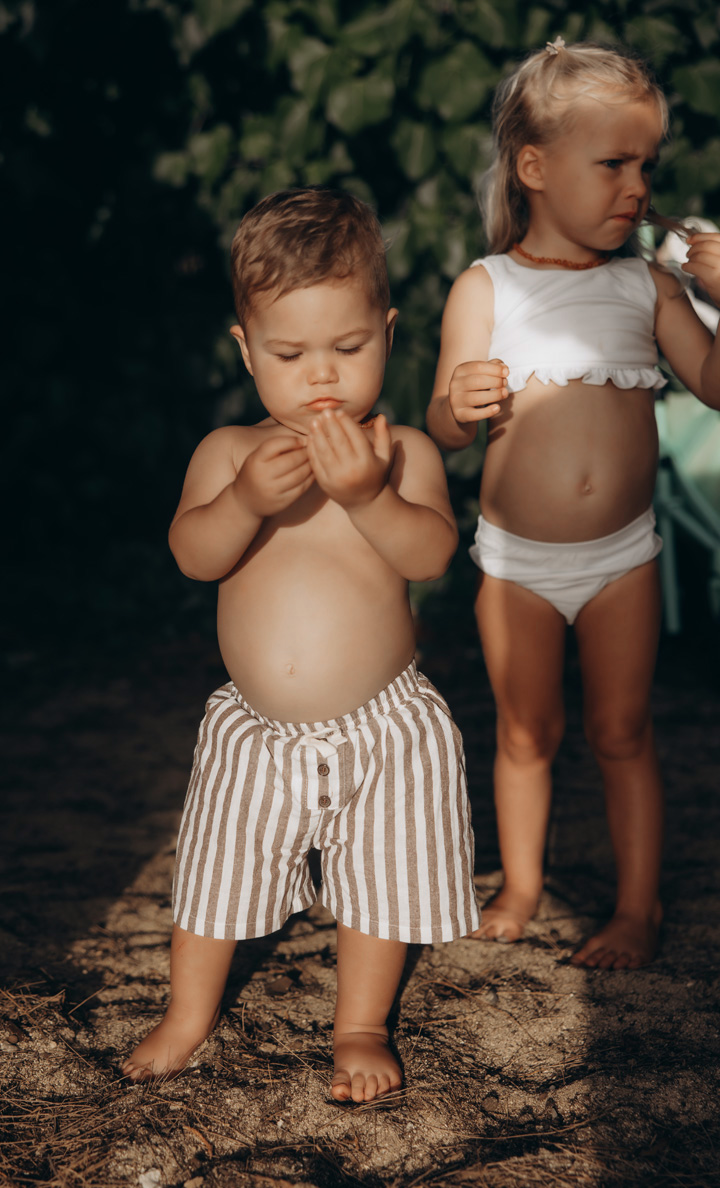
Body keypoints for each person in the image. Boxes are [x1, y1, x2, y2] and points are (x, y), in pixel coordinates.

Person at [123, 186, 480, 1099]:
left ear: (389, 336)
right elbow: (192, 556)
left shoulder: (401, 457)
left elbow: (432, 552)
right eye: (290, 353)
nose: (321, 375)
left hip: (384, 728)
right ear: (246, 350)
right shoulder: (227, 451)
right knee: (214, 875)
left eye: (348, 348)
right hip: (256, 733)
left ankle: (359, 1024)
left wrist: (367, 498)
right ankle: (187, 1014)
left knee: (380, 883)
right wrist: (243, 500)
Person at [426, 40, 720, 970]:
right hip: (515, 563)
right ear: (535, 167)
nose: (636, 187)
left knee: (623, 732)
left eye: (646, 165)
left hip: (622, 559)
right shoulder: (487, 287)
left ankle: (638, 909)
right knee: (525, 733)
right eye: (613, 163)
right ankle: (520, 885)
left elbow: (713, 383)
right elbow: (441, 425)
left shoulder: (648, 283)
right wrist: (456, 408)